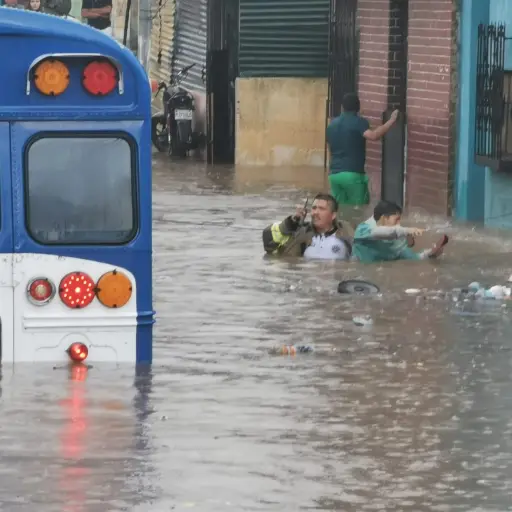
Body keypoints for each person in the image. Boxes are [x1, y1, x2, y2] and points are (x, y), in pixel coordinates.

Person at [327, 93, 399, 207]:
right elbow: (373, 136)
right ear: (358, 108)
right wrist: (391, 121)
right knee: (359, 210)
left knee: (340, 210)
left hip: (334, 176)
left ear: (342, 107)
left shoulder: (331, 125)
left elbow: (330, 150)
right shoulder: (359, 122)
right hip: (353, 175)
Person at [262, 193, 354, 260]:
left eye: (321, 209)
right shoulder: (301, 232)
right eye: (314, 208)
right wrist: (291, 223)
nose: (315, 212)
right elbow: (268, 244)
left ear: (333, 215)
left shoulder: (347, 233)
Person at [352, 200, 446, 263]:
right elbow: (382, 232)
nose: (399, 223)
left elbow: (412, 257)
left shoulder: (396, 238)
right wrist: (408, 230)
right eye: (396, 219)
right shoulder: (364, 228)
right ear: (384, 218)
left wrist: (430, 254)